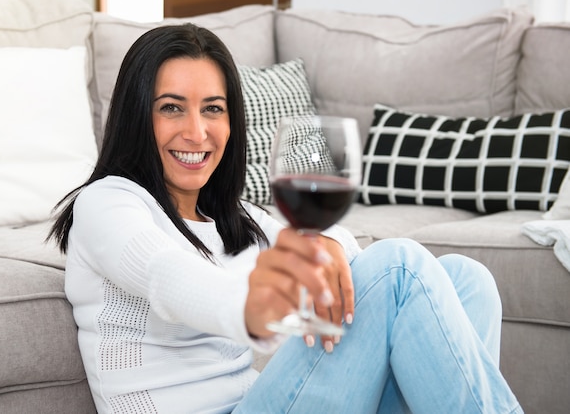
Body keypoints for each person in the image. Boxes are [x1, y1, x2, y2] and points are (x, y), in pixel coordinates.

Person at [48, 23, 523, 413]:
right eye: (172, 108)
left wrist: (330, 245)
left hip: (255, 402)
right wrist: (249, 307)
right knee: (400, 267)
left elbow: (346, 260)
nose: (196, 132)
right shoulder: (108, 202)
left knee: (466, 279)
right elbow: (165, 276)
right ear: (136, 116)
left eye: (213, 109)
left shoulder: (233, 217)